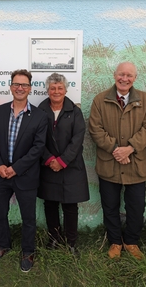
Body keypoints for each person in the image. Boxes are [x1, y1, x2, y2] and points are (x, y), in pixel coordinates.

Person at [88, 62, 146, 260]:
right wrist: (116, 150)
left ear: (135, 78)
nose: (124, 78)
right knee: (110, 206)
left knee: (136, 207)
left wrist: (130, 148)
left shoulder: (145, 99)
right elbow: (95, 129)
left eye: (129, 75)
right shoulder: (100, 100)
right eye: (121, 74)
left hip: (136, 165)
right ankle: (115, 242)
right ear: (114, 75)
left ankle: (131, 242)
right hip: (109, 165)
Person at [0, 69, 48, 272]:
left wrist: (16, 168)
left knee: (28, 217)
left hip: (25, 175)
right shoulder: (1, 111)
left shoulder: (39, 116)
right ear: (11, 86)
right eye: (16, 84)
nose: (20, 88)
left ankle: (28, 251)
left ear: (30, 88)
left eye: (24, 85)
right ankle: (3, 245)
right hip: (2, 174)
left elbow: (38, 148)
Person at [37, 73, 90, 254]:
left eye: (60, 88)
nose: (56, 91)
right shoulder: (40, 109)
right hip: (48, 166)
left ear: (66, 90)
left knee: (70, 206)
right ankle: (54, 238)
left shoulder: (75, 111)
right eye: (53, 88)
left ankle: (71, 243)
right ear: (48, 90)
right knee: (50, 204)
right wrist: (50, 159)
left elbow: (77, 140)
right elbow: (37, 139)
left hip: (71, 167)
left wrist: (62, 160)